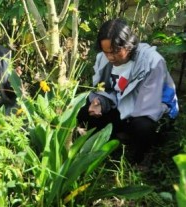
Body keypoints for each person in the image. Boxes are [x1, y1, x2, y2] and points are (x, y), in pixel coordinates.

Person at [77, 18, 179, 164]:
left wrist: (116, 119)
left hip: (153, 110)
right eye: (106, 52)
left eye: (115, 52)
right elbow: (106, 89)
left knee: (142, 126)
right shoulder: (104, 59)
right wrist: (99, 102)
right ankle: (113, 138)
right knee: (86, 111)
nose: (110, 57)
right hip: (122, 103)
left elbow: (147, 106)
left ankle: (141, 157)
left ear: (128, 45)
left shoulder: (153, 62)